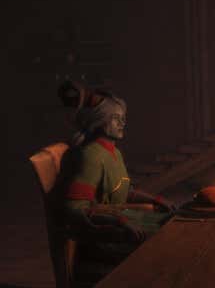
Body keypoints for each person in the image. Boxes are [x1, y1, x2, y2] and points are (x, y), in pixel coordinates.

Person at [55, 81, 174, 265]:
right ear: (99, 121)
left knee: (171, 224)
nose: (123, 122)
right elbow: (75, 208)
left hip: (120, 222)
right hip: (104, 238)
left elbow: (121, 190)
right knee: (167, 240)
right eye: (116, 118)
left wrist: (156, 200)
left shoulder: (114, 153)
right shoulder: (91, 156)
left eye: (123, 117)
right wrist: (119, 221)